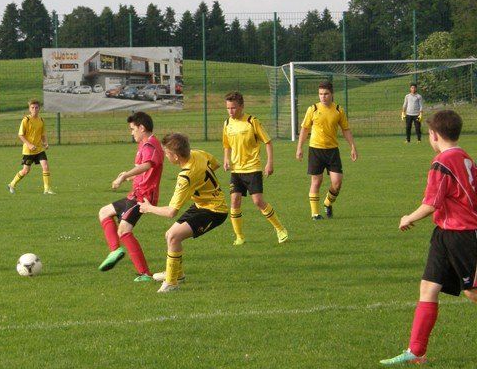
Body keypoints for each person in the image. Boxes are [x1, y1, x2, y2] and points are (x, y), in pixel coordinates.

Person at [380, 110, 477, 366]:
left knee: (472, 291)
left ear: (433, 135)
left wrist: (408, 218)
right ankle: (416, 352)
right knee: (428, 286)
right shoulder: (464, 157)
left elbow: (432, 202)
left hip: (461, 234)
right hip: (444, 233)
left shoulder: (442, 162)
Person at [139, 133, 229, 293]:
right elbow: (215, 164)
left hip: (215, 211)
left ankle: (171, 283)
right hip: (202, 204)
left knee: (174, 236)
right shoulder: (197, 153)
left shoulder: (185, 176)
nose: (166, 156)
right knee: (170, 235)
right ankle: (176, 274)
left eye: (167, 153)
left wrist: (149, 208)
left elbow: (171, 212)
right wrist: (201, 185)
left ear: (175, 156)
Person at [96, 111, 163, 282]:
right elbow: (146, 170)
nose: (131, 132)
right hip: (135, 194)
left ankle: (145, 274)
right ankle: (115, 251)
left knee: (124, 230)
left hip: (143, 197)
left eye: (133, 129)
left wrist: (126, 175)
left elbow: (148, 165)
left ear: (142, 128)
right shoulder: (143, 145)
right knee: (104, 212)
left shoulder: (150, 145)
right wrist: (130, 176)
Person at [222, 91, 288, 245]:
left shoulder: (252, 121)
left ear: (241, 106)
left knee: (258, 201)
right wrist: (226, 159)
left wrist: (269, 163)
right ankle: (239, 237)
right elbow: (226, 145)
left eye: (233, 108)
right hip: (236, 170)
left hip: (252, 169)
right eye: (228, 108)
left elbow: (268, 142)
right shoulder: (227, 124)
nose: (230, 111)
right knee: (234, 201)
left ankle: (280, 229)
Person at [296, 81, 358, 220]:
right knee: (316, 181)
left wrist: (353, 147)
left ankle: (327, 203)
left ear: (332, 94)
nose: (323, 97)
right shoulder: (312, 109)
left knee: (337, 183)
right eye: (320, 94)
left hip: (332, 151)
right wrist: (299, 147)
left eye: (326, 94)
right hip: (315, 150)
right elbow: (305, 129)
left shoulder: (338, 110)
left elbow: (346, 130)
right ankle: (315, 214)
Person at [8, 99, 54, 194]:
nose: (34, 109)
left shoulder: (41, 120)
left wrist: (45, 143)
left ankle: (47, 189)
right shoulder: (26, 120)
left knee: (45, 166)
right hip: (28, 151)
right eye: (32, 107)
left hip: (39, 149)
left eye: (36, 107)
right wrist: (29, 145)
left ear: (39, 109)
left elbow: (43, 134)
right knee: (26, 171)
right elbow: (21, 135)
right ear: (29, 109)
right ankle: (12, 184)